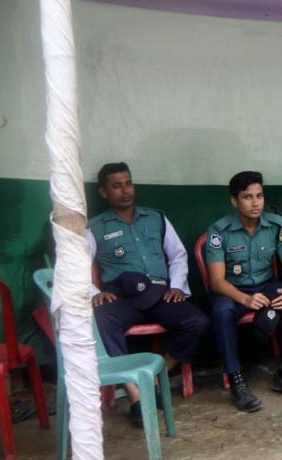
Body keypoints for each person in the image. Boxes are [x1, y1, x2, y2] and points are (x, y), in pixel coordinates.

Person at [89, 162, 209, 427]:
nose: (125, 191)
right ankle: (135, 394)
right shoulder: (95, 227)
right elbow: (77, 266)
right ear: (104, 192)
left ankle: (154, 377)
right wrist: (95, 293)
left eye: (128, 183)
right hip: (121, 297)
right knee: (101, 320)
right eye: (116, 186)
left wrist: (177, 285)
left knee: (197, 322)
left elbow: (177, 255)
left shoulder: (156, 218)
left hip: (159, 293)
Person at [205, 171, 282, 412]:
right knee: (222, 311)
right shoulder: (219, 231)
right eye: (247, 197)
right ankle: (236, 381)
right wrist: (245, 298)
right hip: (233, 291)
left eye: (259, 196)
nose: (255, 203)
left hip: (267, 286)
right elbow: (217, 281)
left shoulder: (276, 225)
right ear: (234, 201)